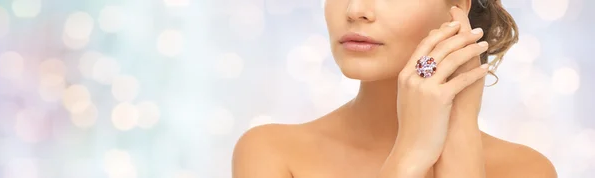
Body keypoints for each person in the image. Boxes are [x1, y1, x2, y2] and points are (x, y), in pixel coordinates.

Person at [232, 0, 557, 177]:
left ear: (457, 6)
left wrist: (460, 134)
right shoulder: (271, 153)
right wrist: (410, 154)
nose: (355, 9)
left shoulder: (526, 170)